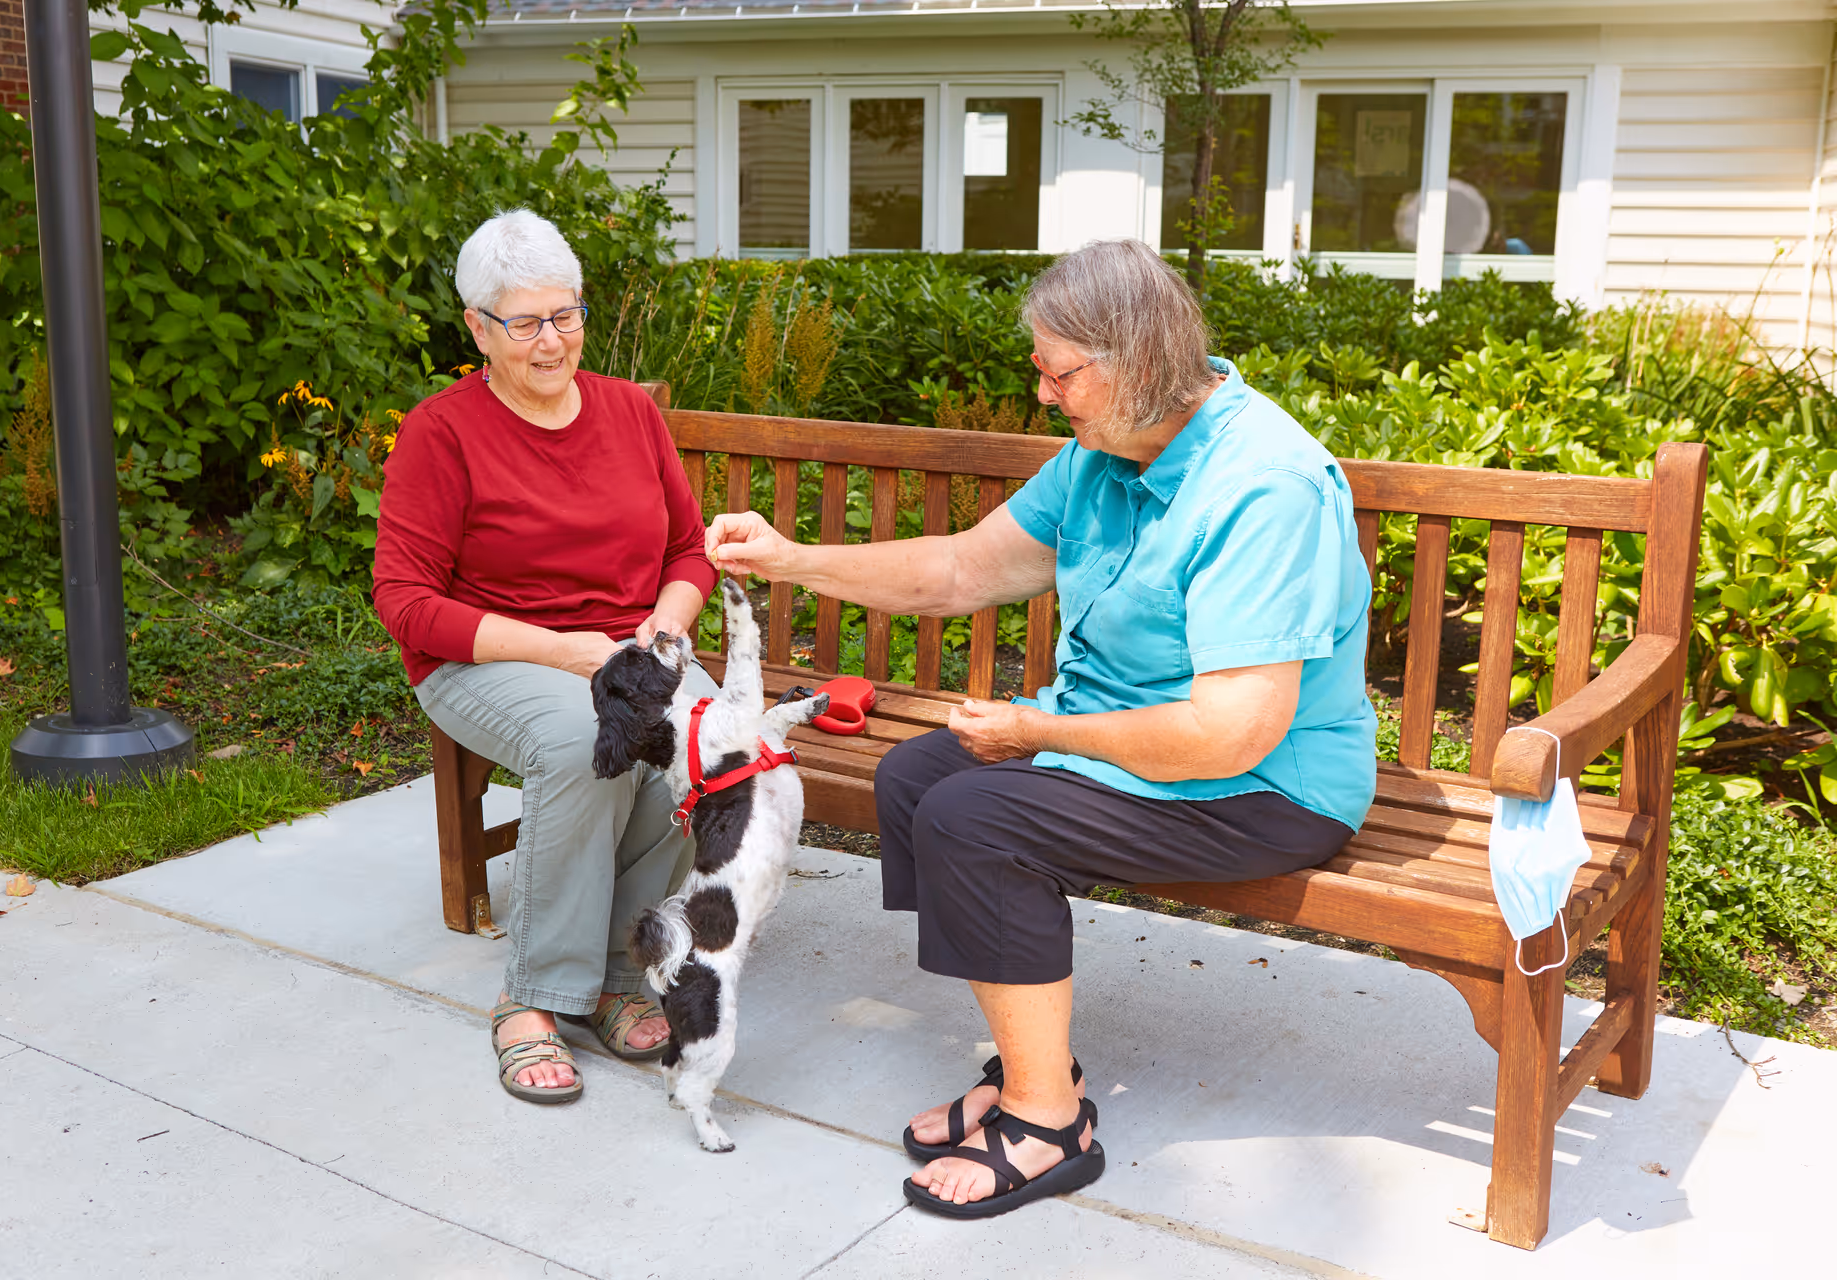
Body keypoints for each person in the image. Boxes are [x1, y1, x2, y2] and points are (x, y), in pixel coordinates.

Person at [704, 239, 1376, 1216]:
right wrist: (791, 557)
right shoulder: (1104, 456)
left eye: (1059, 372)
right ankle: (1037, 1057)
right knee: (915, 778)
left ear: (1135, 363)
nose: (1045, 392)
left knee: (976, 817)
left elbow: (1232, 732)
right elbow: (961, 571)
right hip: (1124, 743)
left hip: (1264, 787)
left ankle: (1047, 1121)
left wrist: (1027, 730)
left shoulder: (1264, 487)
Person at [373, 210, 718, 1104]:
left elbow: (688, 550)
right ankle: (530, 996)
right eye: (524, 323)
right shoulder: (441, 433)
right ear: (478, 329)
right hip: (491, 656)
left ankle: (611, 969)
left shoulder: (631, 412)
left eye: (565, 315)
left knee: (706, 742)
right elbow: (405, 601)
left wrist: (665, 637)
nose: (552, 340)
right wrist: (563, 654)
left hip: (628, 650)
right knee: (580, 742)